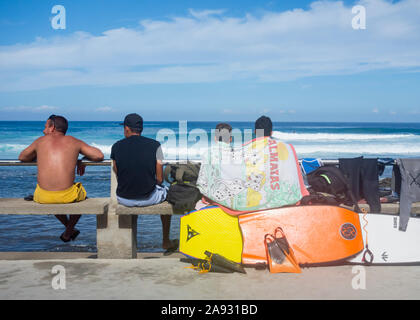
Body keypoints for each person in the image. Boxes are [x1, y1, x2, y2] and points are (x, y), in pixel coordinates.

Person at [18, 115, 104, 242]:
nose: (43, 130)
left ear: (52, 127)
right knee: (82, 196)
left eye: (45, 127)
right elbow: (99, 155)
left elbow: (22, 157)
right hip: (67, 196)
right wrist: (81, 159)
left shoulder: (40, 141)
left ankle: (69, 230)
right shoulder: (73, 141)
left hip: (43, 196)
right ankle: (69, 231)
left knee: (52, 196)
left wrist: (39, 154)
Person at [111, 113, 178, 252]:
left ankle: (130, 245)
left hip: (123, 198)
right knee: (167, 193)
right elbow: (159, 179)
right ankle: (166, 240)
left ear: (127, 128)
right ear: (140, 129)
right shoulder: (155, 145)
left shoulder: (116, 146)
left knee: (134, 189)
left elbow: (117, 171)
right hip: (148, 198)